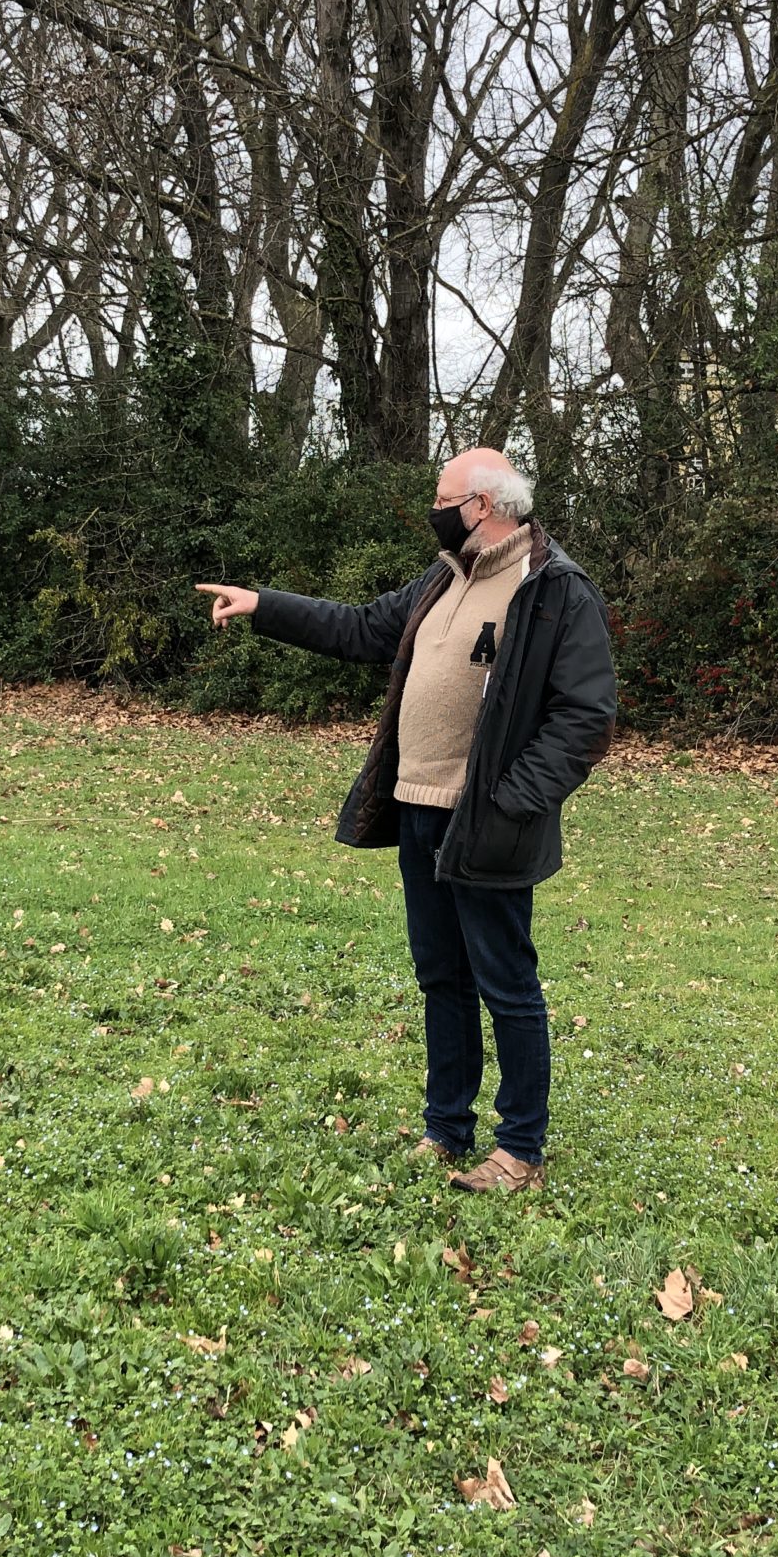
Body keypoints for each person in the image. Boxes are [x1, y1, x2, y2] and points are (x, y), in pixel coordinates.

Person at [195, 449, 615, 1193]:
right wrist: (264, 605)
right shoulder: (441, 581)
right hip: (420, 815)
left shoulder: (555, 591)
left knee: (507, 984)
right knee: (441, 979)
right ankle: (446, 1130)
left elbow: (584, 720)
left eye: (442, 497)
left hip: (488, 826)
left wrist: (510, 802)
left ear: (482, 505)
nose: (434, 508)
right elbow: (360, 629)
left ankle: (520, 1149)